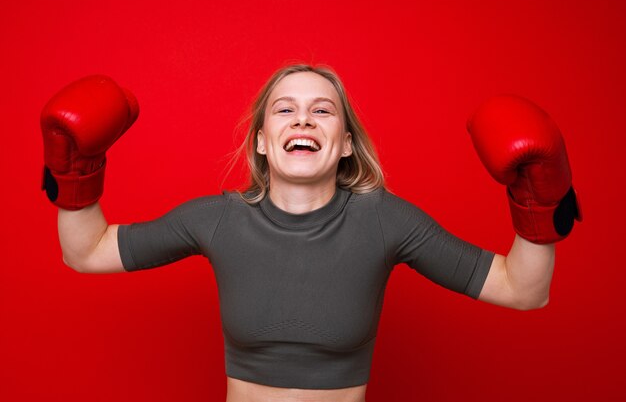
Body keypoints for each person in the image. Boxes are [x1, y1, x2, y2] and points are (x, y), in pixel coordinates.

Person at [41, 65, 582, 402]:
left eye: (322, 110)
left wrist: (537, 204)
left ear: (345, 143)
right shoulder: (215, 219)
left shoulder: (386, 220)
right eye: (285, 110)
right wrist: (75, 174)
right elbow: (87, 252)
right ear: (261, 140)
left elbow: (523, 290)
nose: (303, 121)